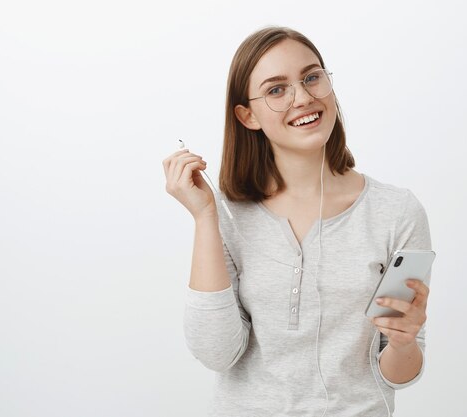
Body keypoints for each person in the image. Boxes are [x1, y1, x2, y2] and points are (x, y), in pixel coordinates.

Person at [163, 26, 432, 417]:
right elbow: (216, 353)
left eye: (311, 77)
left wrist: (404, 342)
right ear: (247, 115)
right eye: (276, 89)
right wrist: (205, 216)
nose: (304, 98)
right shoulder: (226, 213)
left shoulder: (396, 212)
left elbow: (397, 375)